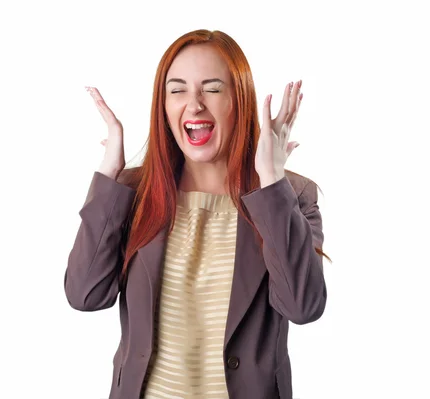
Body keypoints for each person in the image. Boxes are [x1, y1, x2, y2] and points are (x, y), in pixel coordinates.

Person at [64, 29, 330, 399]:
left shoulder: (291, 196)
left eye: (213, 88)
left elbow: (303, 306)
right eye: (177, 90)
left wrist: (272, 181)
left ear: (239, 100)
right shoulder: (135, 193)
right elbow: (85, 294)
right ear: (163, 106)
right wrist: (110, 176)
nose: (195, 104)